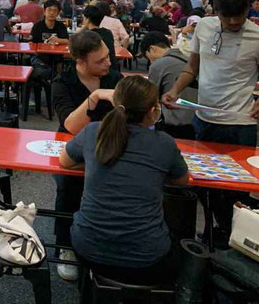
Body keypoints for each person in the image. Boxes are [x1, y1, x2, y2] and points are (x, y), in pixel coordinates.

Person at [162, 0, 259, 238]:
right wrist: (175, 90)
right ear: (215, 10)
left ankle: (235, 238)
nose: (234, 22)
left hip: (240, 125)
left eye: (240, 16)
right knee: (206, 186)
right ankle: (215, 233)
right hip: (204, 119)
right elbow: (192, 67)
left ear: (249, 8)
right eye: (228, 17)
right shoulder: (204, 27)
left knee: (237, 191)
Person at [59, 76, 189, 284]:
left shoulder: (94, 131)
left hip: (88, 248)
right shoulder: (164, 143)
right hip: (146, 259)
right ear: (153, 111)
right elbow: (182, 181)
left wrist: (95, 163)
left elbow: (65, 161)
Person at [51, 30, 121, 280]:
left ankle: (105, 246)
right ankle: (66, 246)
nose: (108, 63)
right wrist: (95, 97)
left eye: (107, 56)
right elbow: (70, 125)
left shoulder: (114, 76)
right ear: (80, 61)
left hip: (108, 146)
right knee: (68, 188)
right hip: (72, 150)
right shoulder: (62, 82)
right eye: (100, 60)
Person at [140, 31, 196, 139]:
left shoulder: (158, 65)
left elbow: (151, 97)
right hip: (198, 119)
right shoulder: (189, 58)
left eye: (148, 57)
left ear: (152, 49)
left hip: (173, 124)